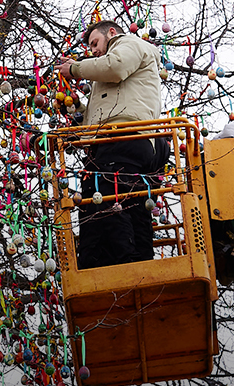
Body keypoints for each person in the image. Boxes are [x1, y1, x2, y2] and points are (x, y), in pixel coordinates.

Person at [56, 20, 162, 269]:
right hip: (122, 138)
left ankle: (120, 265)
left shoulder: (129, 44)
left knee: (106, 199)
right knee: (131, 202)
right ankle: (141, 261)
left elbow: (116, 67)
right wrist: (77, 110)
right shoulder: (106, 78)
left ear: (111, 33)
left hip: (121, 138)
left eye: (95, 43)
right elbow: (103, 113)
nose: (93, 51)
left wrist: (75, 69)